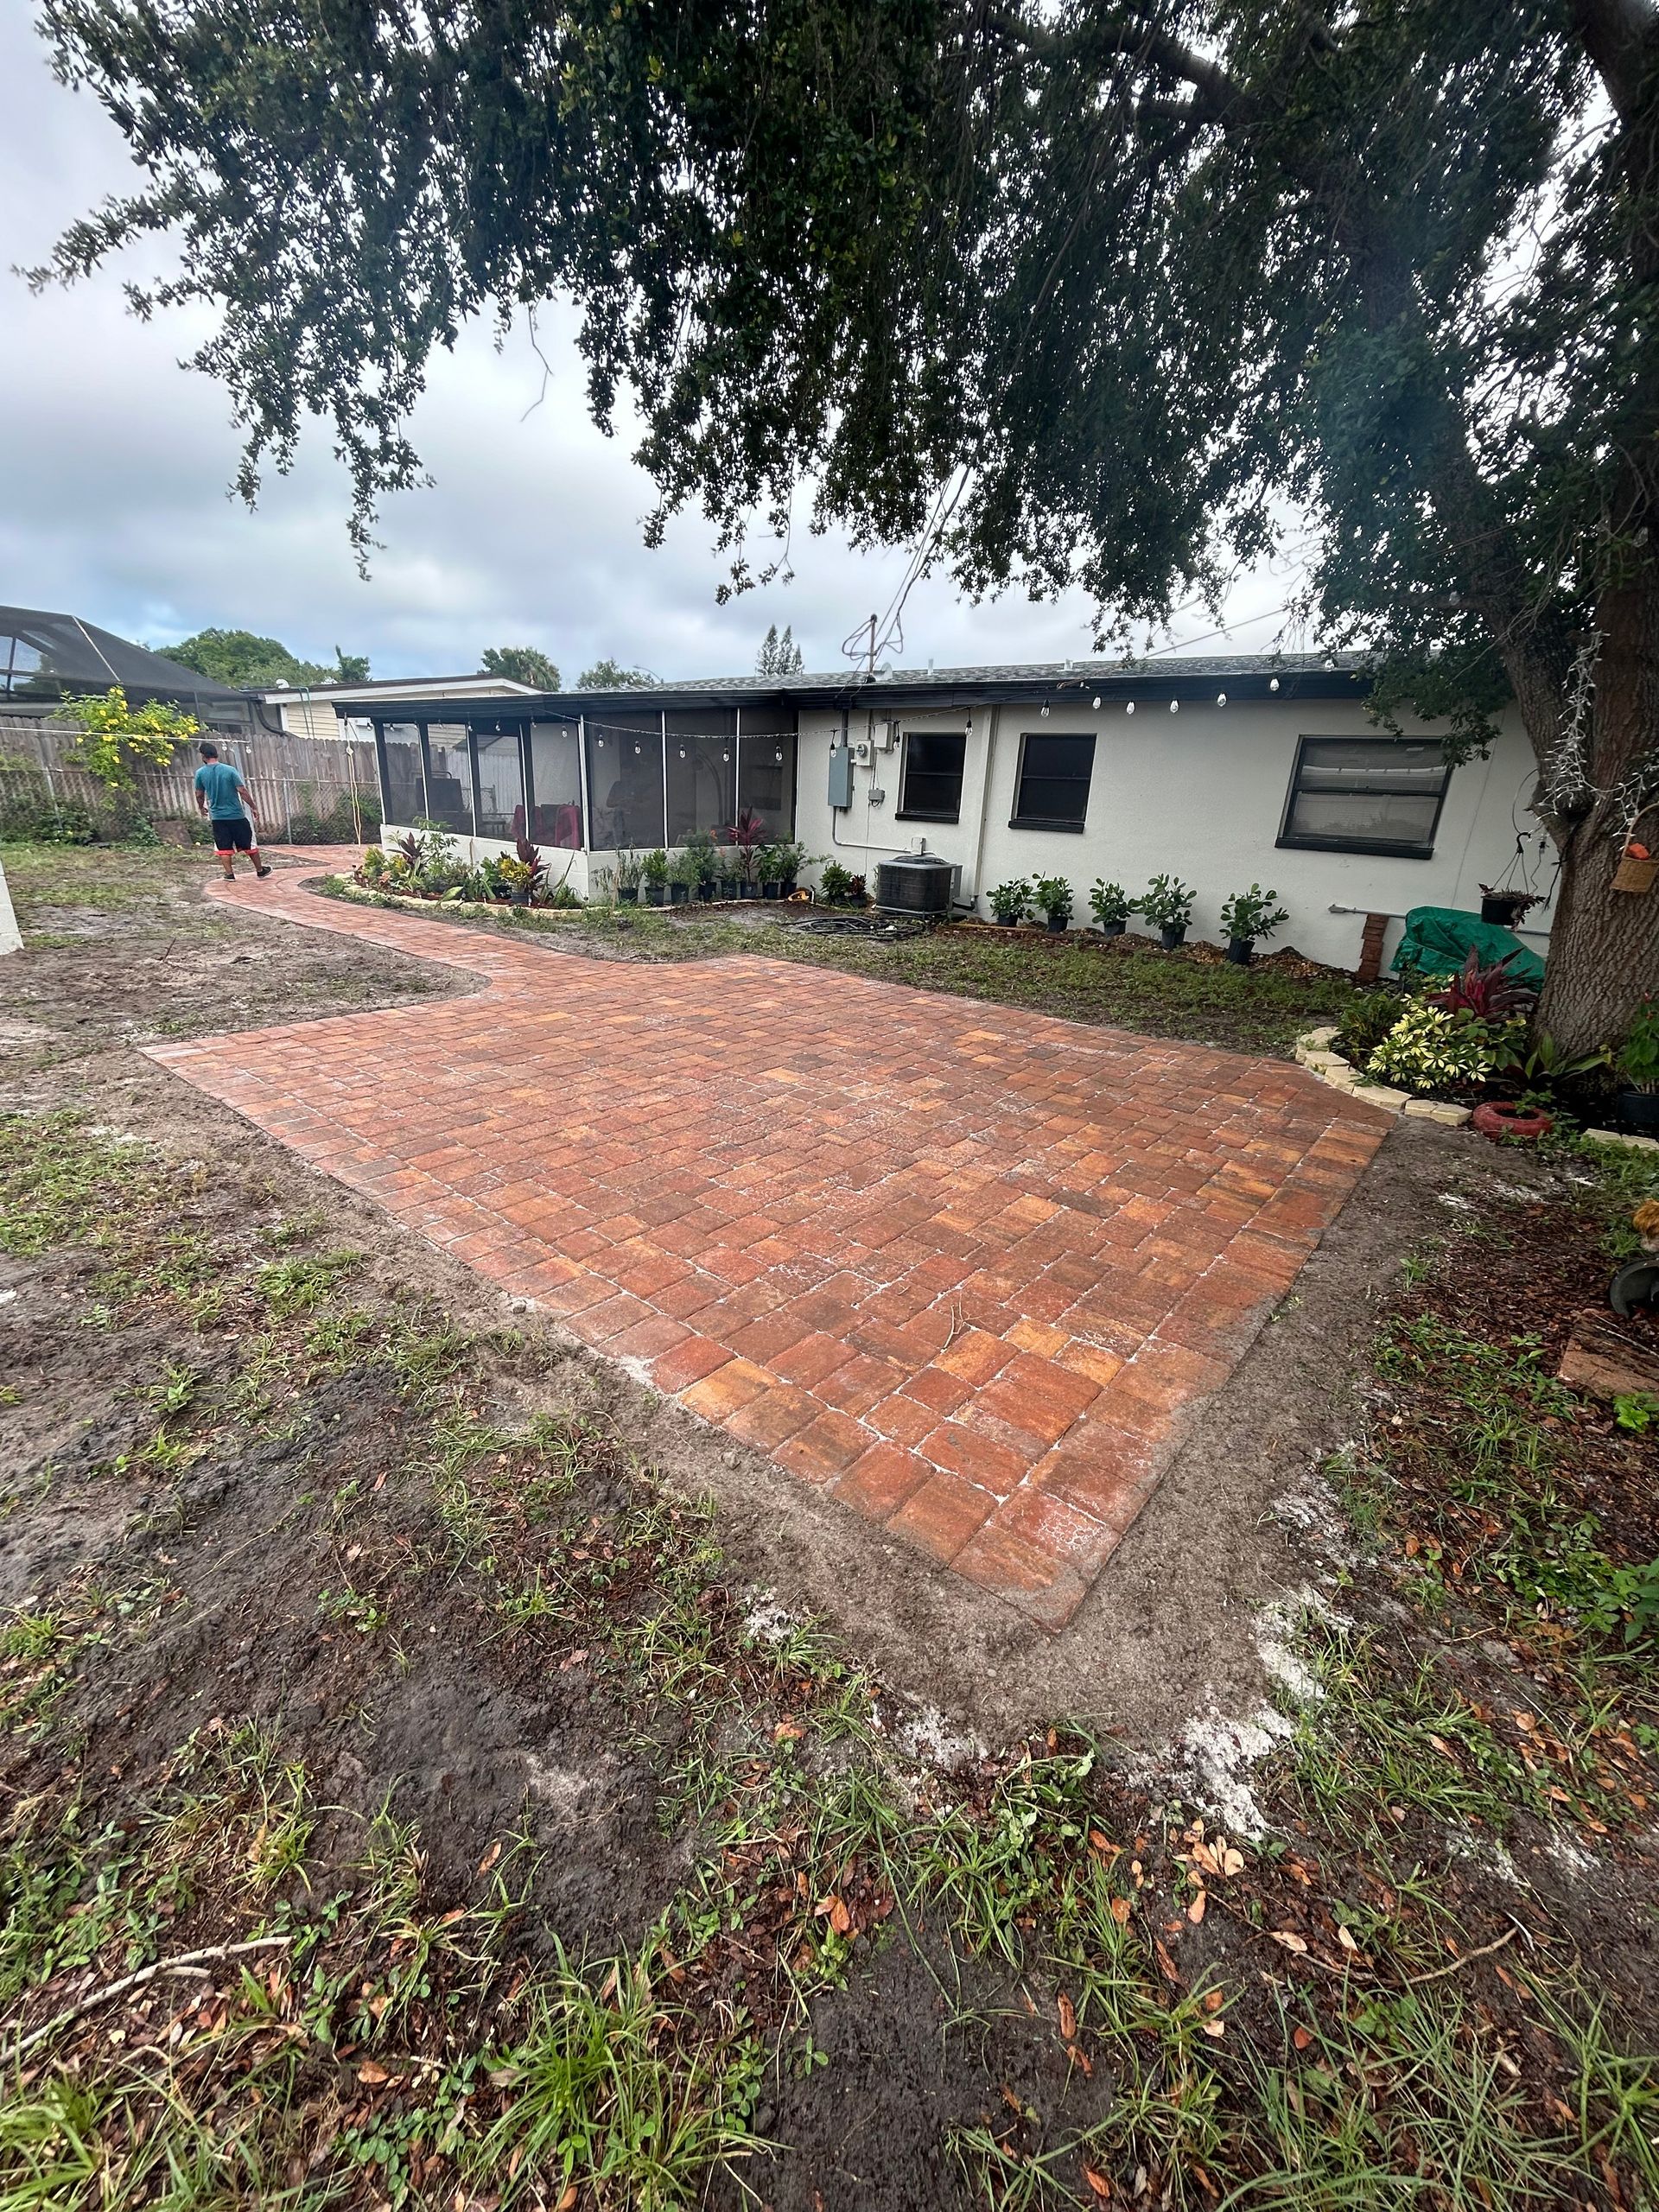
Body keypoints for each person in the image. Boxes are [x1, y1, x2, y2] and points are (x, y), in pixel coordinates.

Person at [193, 742, 270, 880]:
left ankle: (229, 874)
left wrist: (201, 807)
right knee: (249, 843)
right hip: (236, 815)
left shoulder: (200, 773)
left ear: (203, 756)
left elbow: (199, 794)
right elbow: (242, 791)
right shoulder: (230, 770)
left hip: (217, 817)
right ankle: (260, 870)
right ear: (216, 754)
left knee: (223, 846)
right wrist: (253, 807)